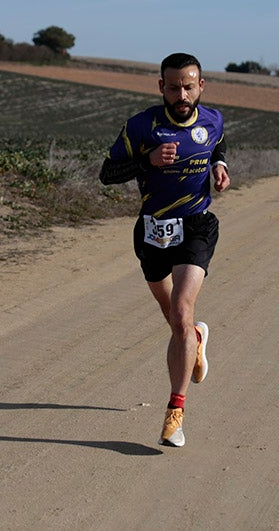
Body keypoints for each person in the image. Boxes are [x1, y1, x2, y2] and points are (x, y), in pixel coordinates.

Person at [99, 52, 230, 448]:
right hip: (153, 230)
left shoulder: (212, 119)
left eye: (189, 86)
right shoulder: (141, 127)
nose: (181, 94)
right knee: (175, 322)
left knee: (180, 310)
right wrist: (147, 161)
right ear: (161, 87)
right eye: (173, 87)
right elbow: (107, 174)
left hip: (196, 226)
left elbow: (219, 142)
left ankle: (175, 414)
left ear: (201, 86)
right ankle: (195, 339)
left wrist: (220, 166)